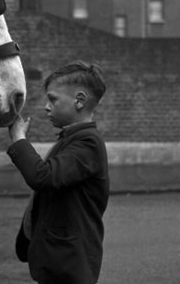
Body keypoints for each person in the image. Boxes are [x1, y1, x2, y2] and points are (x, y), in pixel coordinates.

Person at [7, 61, 109, 284]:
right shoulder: (73, 138)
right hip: (58, 262)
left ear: (79, 101)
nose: (46, 106)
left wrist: (19, 139)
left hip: (70, 267)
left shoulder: (88, 143)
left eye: (53, 99)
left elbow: (42, 177)